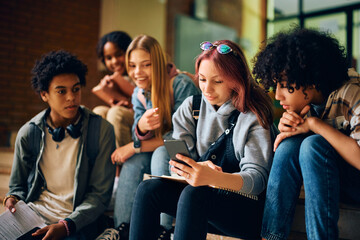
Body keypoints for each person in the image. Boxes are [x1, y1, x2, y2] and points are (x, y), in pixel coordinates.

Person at [129, 40, 275, 240]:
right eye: (203, 79)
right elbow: (176, 162)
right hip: (200, 204)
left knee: (194, 193)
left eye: (217, 81)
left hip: (243, 211)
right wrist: (194, 169)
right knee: (148, 190)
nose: (207, 89)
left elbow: (257, 180)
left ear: (236, 80)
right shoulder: (191, 107)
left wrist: (213, 178)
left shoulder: (253, 116)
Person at [252, 27, 360, 240]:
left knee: (313, 145)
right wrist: (291, 129)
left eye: (283, 86)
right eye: (275, 85)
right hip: (334, 178)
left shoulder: (352, 93)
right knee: (289, 145)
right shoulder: (310, 102)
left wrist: (313, 124)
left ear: (310, 81)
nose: (278, 95)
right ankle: (271, 237)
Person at [3, 50, 116, 239]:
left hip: (77, 221)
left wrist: (67, 225)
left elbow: (99, 196)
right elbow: (17, 186)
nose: (71, 97)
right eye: (61, 91)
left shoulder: (102, 130)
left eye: (76, 89)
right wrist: (12, 199)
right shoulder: (29, 133)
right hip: (34, 216)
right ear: (44, 95)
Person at [100, 35, 200, 240]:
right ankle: (122, 228)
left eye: (146, 65)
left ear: (159, 63)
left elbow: (179, 139)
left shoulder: (180, 84)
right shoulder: (139, 92)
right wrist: (140, 126)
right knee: (134, 161)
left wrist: (134, 146)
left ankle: (165, 230)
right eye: (133, 65)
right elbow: (140, 136)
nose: (138, 72)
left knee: (161, 153)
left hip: (190, 149)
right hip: (161, 146)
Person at [92, 31, 134, 210]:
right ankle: (101, 169)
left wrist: (117, 85)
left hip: (140, 118)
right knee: (98, 112)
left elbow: (140, 102)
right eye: (108, 58)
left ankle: (120, 174)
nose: (114, 61)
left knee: (115, 113)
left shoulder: (136, 71)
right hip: (124, 113)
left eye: (118, 54)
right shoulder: (109, 79)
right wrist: (111, 94)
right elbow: (117, 102)